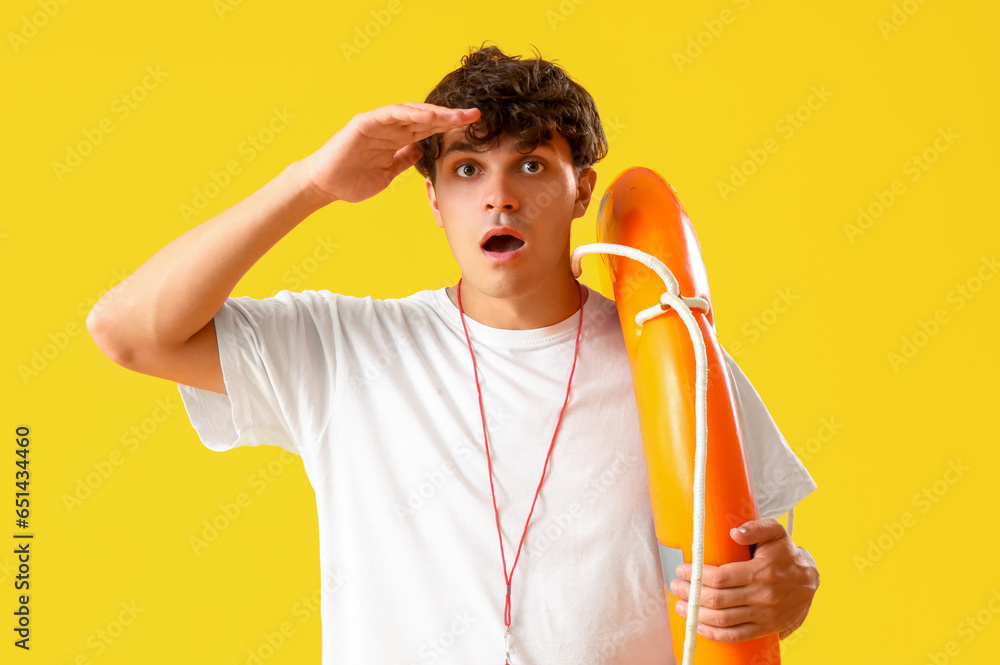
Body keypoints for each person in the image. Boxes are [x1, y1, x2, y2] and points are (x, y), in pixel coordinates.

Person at [87, 43, 819, 664]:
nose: (498, 197)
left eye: (530, 166)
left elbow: (765, 567)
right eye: (468, 170)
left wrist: (796, 585)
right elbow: (127, 330)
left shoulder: (676, 359)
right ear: (434, 199)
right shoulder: (343, 350)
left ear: (579, 189)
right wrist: (311, 182)